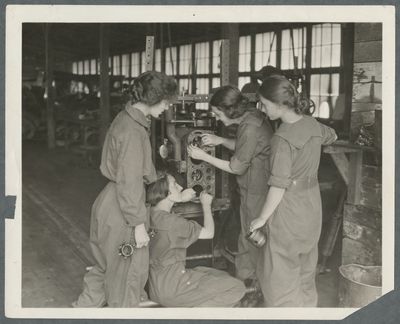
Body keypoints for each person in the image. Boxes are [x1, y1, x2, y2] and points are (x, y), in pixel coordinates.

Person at [72, 71, 178, 308]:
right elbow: (130, 182)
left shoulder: (126, 118)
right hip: (124, 208)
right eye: (166, 101)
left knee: (106, 266)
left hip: (110, 201)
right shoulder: (133, 131)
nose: (167, 106)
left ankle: (83, 310)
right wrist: (139, 225)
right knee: (127, 272)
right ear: (153, 99)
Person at [249, 75, 337, 307]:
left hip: (289, 208)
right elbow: (333, 135)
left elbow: (278, 186)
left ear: (278, 104)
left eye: (264, 104)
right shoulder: (312, 124)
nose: (263, 109)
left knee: (280, 273)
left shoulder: (281, 139)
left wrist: (261, 218)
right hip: (311, 204)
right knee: (306, 270)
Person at [187, 85, 273, 284]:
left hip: (256, 189)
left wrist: (203, 156)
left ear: (230, 110)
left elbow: (236, 167)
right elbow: (246, 148)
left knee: (250, 237)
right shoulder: (251, 118)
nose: (216, 118)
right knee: (251, 235)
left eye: (218, 113)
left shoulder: (250, 126)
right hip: (256, 186)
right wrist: (220, 140)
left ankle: (247, 284)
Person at [146, 171, 246, 307]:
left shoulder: (150, 213)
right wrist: (206, 205)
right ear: (166, 193)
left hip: (156, 286)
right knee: (237, 288)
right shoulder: (174, 223)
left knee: (220, 276)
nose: (181, 187)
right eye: (175, 185)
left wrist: (180, 198)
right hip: (175, 289)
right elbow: (209, 233)